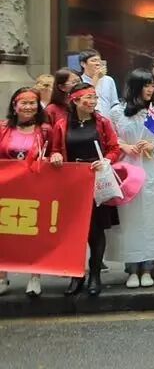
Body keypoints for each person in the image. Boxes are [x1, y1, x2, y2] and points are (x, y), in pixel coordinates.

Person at [106, 70, 154, 288]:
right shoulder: (119, 112)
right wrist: (124, 146)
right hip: (127, 171)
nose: (150, 90)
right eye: (146, 85)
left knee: (152, 218)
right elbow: (110, 138)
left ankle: (148, 267)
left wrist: (153, 145)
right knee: (129, 220)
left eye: (152, 85)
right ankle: (131, 268)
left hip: (153, 171)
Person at [50, 82, 121, 297]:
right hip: (72, 182)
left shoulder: (103, 122)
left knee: (96, 229)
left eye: (94, 98)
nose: (92, 102)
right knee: (74, 231)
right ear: (75, 100)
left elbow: (114, 147)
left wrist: (106, 160)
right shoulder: (62, 124)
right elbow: (55, 148)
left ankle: (95, 274)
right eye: (88, 98)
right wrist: (56, 155)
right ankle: (76, 274)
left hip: (97, 179)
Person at [0, 87, 55, 296]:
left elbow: (56, 151)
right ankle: (2, 276)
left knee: (35, 232)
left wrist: (52, 158)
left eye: (33, 103)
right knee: (4, 233)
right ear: (14, 106)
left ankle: (34, 276)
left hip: (35, 189)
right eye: (24, 103)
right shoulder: (3, 128)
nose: (29, 107)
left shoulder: (46, 130)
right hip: (7, 189)